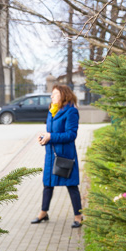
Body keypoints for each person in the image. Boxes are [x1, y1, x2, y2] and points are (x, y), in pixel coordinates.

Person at [31, 84, 84, 228]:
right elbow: (51, 133)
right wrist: (44, 138)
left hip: (65, 155)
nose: (51, 96)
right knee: (47, 184)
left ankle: (78, 216)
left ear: (63, 95)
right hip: (51, 154)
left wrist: (51, 136)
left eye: (54, 94)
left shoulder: (71, 111)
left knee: (72, 186)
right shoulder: (52, 110)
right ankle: (43, 212)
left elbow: (71, 135)